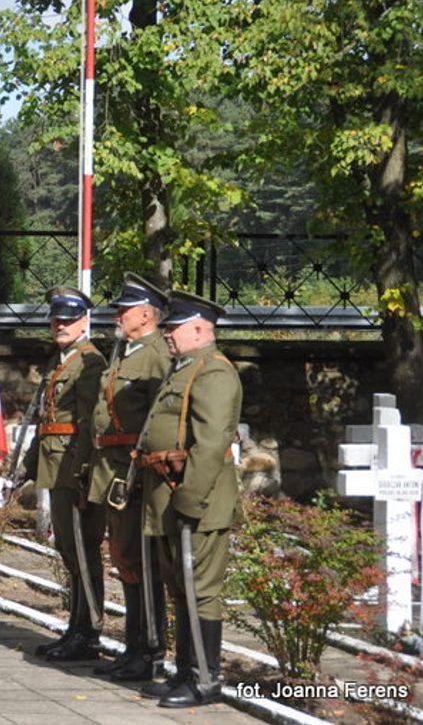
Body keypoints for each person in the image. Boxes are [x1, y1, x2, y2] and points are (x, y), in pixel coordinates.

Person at [136, 290, 242, 708]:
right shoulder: (184, 369)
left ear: (201, 329)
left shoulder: (213, 373)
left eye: (174, 327)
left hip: (195, 498)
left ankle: (204, 679)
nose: (167, 334)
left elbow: (211, 442)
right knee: (180, 587)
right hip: (170, 493)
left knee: (201, 589)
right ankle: (184, 671)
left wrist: (189, 501)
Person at [86, 273, 172, 682]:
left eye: (125, 309)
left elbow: (161, 417)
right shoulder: (129, 350)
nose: (118, 314)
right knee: (125, 560)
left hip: (134, 471)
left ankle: (150, 650)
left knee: (141, 562)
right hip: (115, 470)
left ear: (147, 313)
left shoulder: (157, 354)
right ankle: (134, 646)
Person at [33, 287, 107, 662]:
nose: (59, 325)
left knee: (83, 550)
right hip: (56, 464)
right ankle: (76, 629)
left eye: (67, 320)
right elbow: (46, 421)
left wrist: (83, 472)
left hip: (72, 467)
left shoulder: (90, 362)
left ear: (84, 321)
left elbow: (89, 423)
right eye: (55, 319)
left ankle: (89, 633)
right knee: (69, 550)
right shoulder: (62, 359)